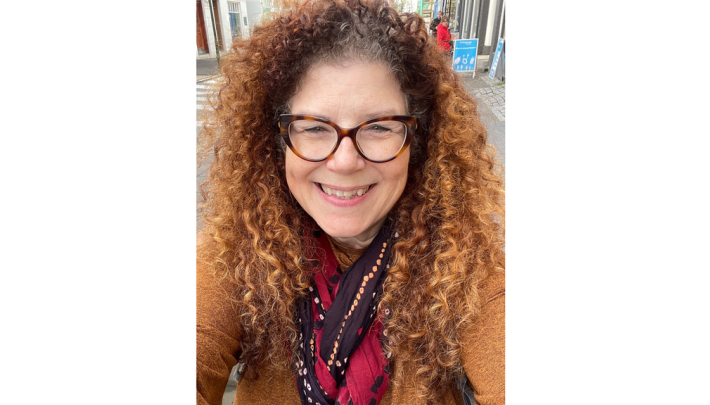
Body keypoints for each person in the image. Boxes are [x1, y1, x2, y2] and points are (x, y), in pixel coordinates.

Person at [196, 0, 505, 404]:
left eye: (379, 127)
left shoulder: (465, 260)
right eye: (313, 128)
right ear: (277, 143)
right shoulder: (234, 252)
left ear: (418, 141)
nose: (344, 162)